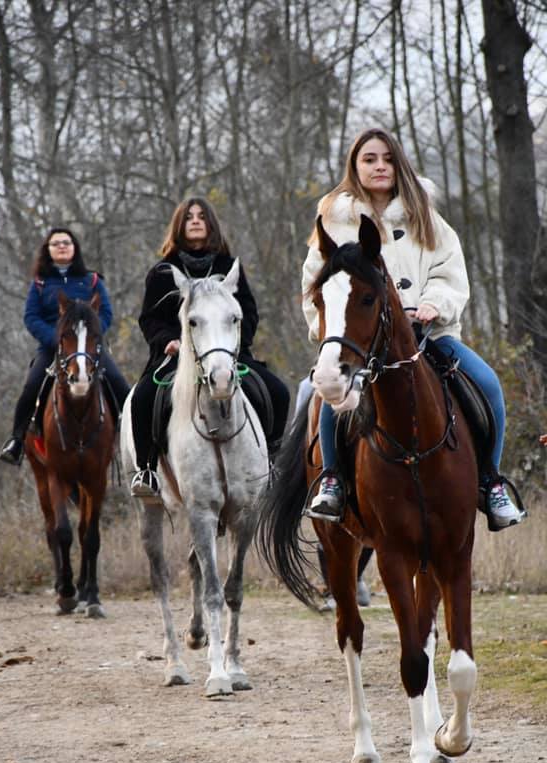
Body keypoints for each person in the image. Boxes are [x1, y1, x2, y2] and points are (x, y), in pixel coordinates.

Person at [301, 128, 523, 532]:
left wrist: (434, 303)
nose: (379, 166)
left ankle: (490, 481)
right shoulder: (333, 221)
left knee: (489, 385)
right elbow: (314, 286)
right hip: (358, 344)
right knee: (316, 396)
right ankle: (331, 478)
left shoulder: (427, 218)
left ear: (398, 164)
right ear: (355, 166)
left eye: (387, 158)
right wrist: (331, 333)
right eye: (369, 159)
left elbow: (450, 273)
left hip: (428, 336)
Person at [129, 197, 290, 497]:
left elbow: (249, 313)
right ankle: (146, 470)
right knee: (142, 398)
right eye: (188, 216)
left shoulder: (230, 268)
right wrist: (168, 342)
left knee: (278, 392)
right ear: (179, 225)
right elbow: (149, 319)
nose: (195, 220)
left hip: (228, 354)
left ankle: (271, 463)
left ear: (211, 224)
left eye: (201, 215)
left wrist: (235, 344)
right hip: (179, 357)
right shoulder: (163, 272)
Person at [0, 227, 129, 465]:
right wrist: (55, 339)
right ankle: (16, 440)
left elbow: (106, 312)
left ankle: (134, 436)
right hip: (53, 348)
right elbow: (31, 317)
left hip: (89, 348)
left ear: (74, 247)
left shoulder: (92, 280)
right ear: (48, 250)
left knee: (119, 383)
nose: (61, 246)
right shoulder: (40, 284)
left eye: (66, 242)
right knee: (32, 386)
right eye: (55, 243)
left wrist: (91, 336)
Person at [294, 376, 373, 606]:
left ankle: (483, 478)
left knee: (485, 384)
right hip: (349, 361)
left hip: (426, 349)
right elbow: (315, 337)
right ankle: (328, 474)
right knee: (322, 394)